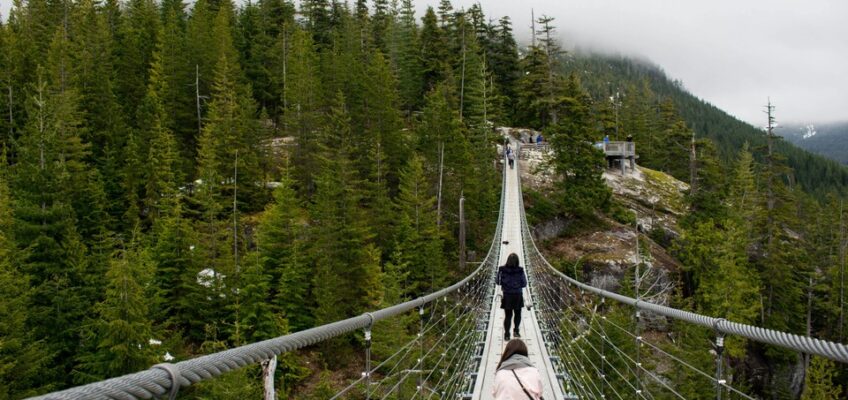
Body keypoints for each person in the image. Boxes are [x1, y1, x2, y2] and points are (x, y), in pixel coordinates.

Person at [497, 253, 526, 340]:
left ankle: (506, 334)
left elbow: (498, 282)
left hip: (507, 295)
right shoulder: (520, 270)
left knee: (508, 315)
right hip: (517, 294)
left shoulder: (502, 270)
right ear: (517, 261)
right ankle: (516, 331)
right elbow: (524, 284)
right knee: (518, 313)